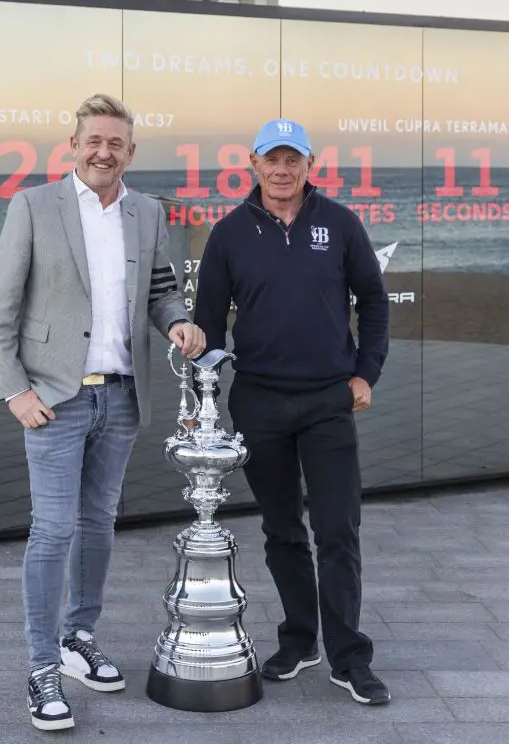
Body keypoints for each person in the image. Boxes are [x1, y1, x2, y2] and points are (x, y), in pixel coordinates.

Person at [0, 93, 206, 732]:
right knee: (53, 530)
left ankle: (79, 638)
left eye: (116, 143)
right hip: (54, 399)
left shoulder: (147, 212)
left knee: (99, 523)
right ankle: (41, 665)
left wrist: (178, 322)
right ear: (74, 146)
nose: (104, 152)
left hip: (122, 396)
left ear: (130, 152)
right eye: (94, 141)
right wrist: (14, 390)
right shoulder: (33, 206)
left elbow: (161, 291)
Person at [192, 118, 392, 705]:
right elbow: (208, 323)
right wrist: (202, 396)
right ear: (253, 164)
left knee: (337, 529)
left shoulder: (341, 223)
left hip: (329, 400)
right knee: (281, 530)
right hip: (259, 401)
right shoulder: (229, 233)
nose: (282, 170)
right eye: (272, 159)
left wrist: (366, 372)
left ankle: (349, 658)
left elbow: (374, 301)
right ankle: (301, 640)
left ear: (310, 165)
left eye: (292, 160)